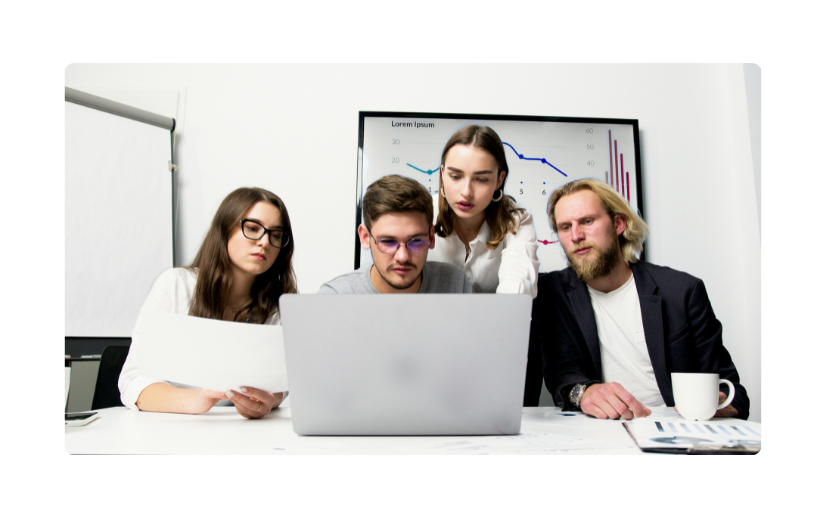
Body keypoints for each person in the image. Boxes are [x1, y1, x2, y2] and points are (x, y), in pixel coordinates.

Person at [532, 178, 749, 420]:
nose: (575, 236)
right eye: (565, 227)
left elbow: (734, 393)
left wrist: (712, 405)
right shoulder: (552, 292)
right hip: (601, 426)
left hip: (675, 425)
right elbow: (562, 373)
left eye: (587, 221)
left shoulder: (682, 291)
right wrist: (585, 392)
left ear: (618, 223)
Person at [119, 187, 297, 419]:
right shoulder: (175, 285)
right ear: (224, 229)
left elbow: (280, 384)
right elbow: (133, 382)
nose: (264, 242)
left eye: (276, 235)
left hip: (245, 432)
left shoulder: (279, 307)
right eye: (253, 228)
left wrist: (269, 400)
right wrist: (197, 401)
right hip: (169, 429)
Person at [428, 125, 539, 297]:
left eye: (481, 179)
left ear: (499, 180)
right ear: (442, 173)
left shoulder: (516, 219)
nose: (466, 192)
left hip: (496, 314)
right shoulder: (422, 212)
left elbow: (517, 290)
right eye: (456, 176)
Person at [319, 175, 472, 294]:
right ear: (365, 237)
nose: (402, 257)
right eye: (388, 242)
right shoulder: (335, 296)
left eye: (416, 241)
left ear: (431, 238)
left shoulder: (457, 285)